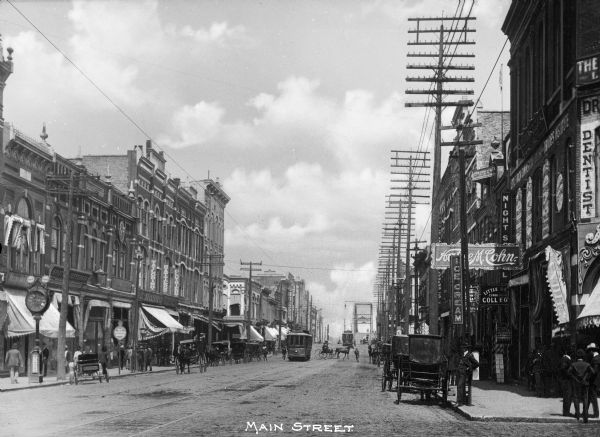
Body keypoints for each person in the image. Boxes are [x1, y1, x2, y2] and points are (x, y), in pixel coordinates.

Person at [569, 349, 596, 423]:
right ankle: (585, 415)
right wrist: (586, 377)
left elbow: (569, 372)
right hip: (585, 383)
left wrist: (575, 378)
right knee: (585, 399)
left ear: (577, 356)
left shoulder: (573, 364)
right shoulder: (587, 364)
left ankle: (577, 415)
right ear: (583, 356)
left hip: (576, 383)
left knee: (576, 398)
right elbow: (593, 372)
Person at [456, 342, 479, 406]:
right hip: (460, 372)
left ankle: (459, 402)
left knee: (460, 386)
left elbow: (477, 363)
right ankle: (461, 401)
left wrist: (469, 368)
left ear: (465, 348)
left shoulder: (469, 355)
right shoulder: (462, 355)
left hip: (464, 373)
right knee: (459, 386)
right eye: (462, 348)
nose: (462, 349)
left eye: (463, 348)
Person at [559, 348, 574, 417]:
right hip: (566, 380)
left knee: (567, 396)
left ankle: (566, 411)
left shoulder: (564, 358)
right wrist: (569, 374)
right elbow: (563, 368)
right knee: (567, 396)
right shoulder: (565, 359)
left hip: (565, 379)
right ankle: (566, 412)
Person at [587, 343, 600, 418]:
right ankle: (585, 411)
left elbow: (594, 371)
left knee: (593, 397)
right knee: (589, 396)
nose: (589, 353)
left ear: (592, 350)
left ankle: (596, 413)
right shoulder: (596, 358)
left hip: (594, 381)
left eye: (589, 351)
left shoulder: (596, 359)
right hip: (594, 380)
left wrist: (587, 377)